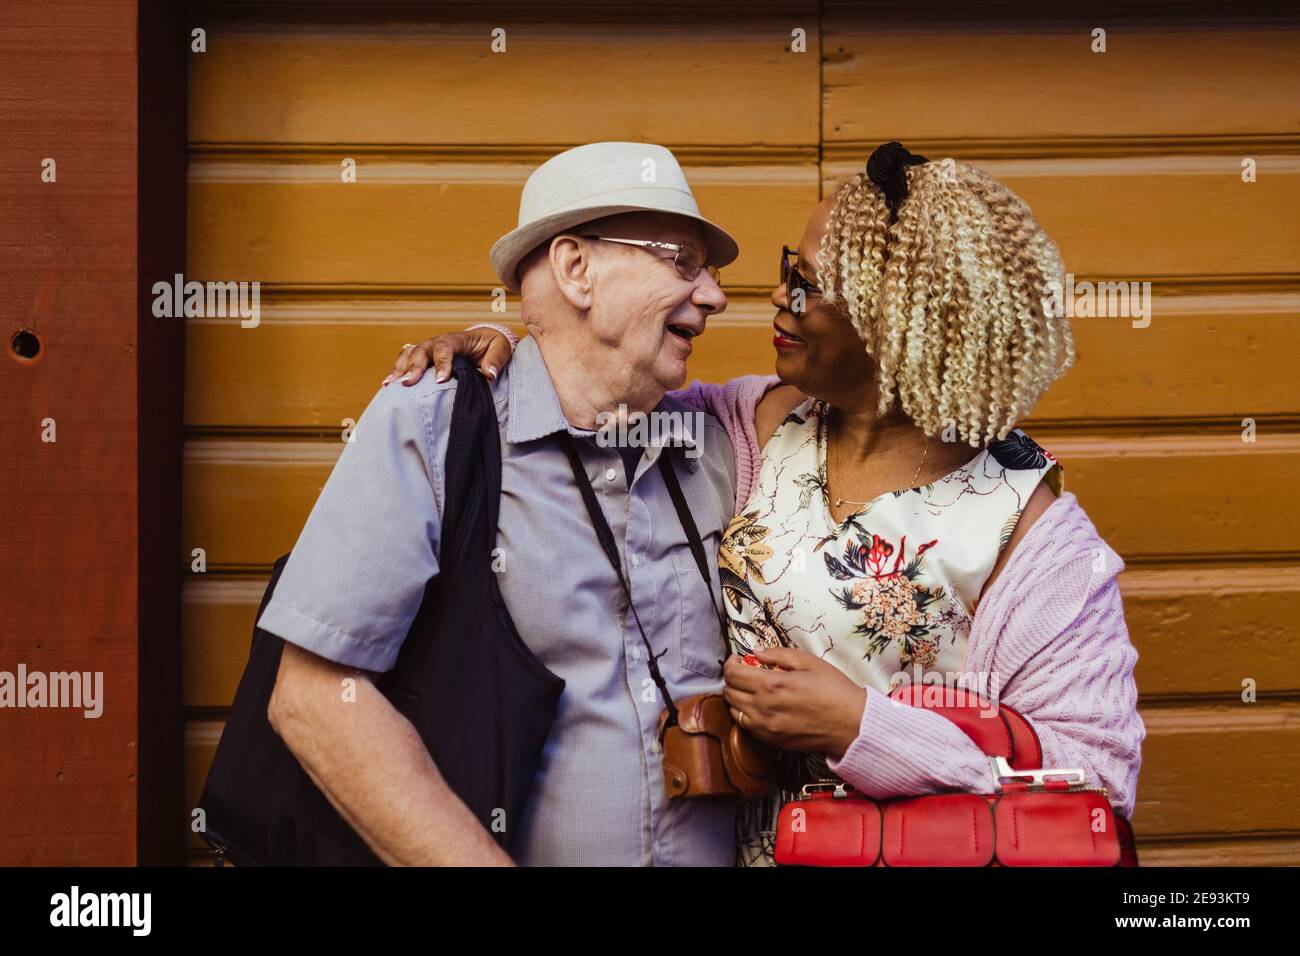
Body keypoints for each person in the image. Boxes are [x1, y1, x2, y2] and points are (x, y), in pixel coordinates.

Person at [394, 142, 1146, 866]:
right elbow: (594, 390)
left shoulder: (1033, 535)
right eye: (792, 269)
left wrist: (864, 727)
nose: (778, 297)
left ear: (901, 327)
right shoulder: (753, 426)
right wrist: (495, 349)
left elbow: (1096, 785)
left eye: (809, 285)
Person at [261, 141, 745, 866]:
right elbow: (316, 698)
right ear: (576, 269)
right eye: (681, 261)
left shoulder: (723, 435)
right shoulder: (433, 422)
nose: (713, 295)